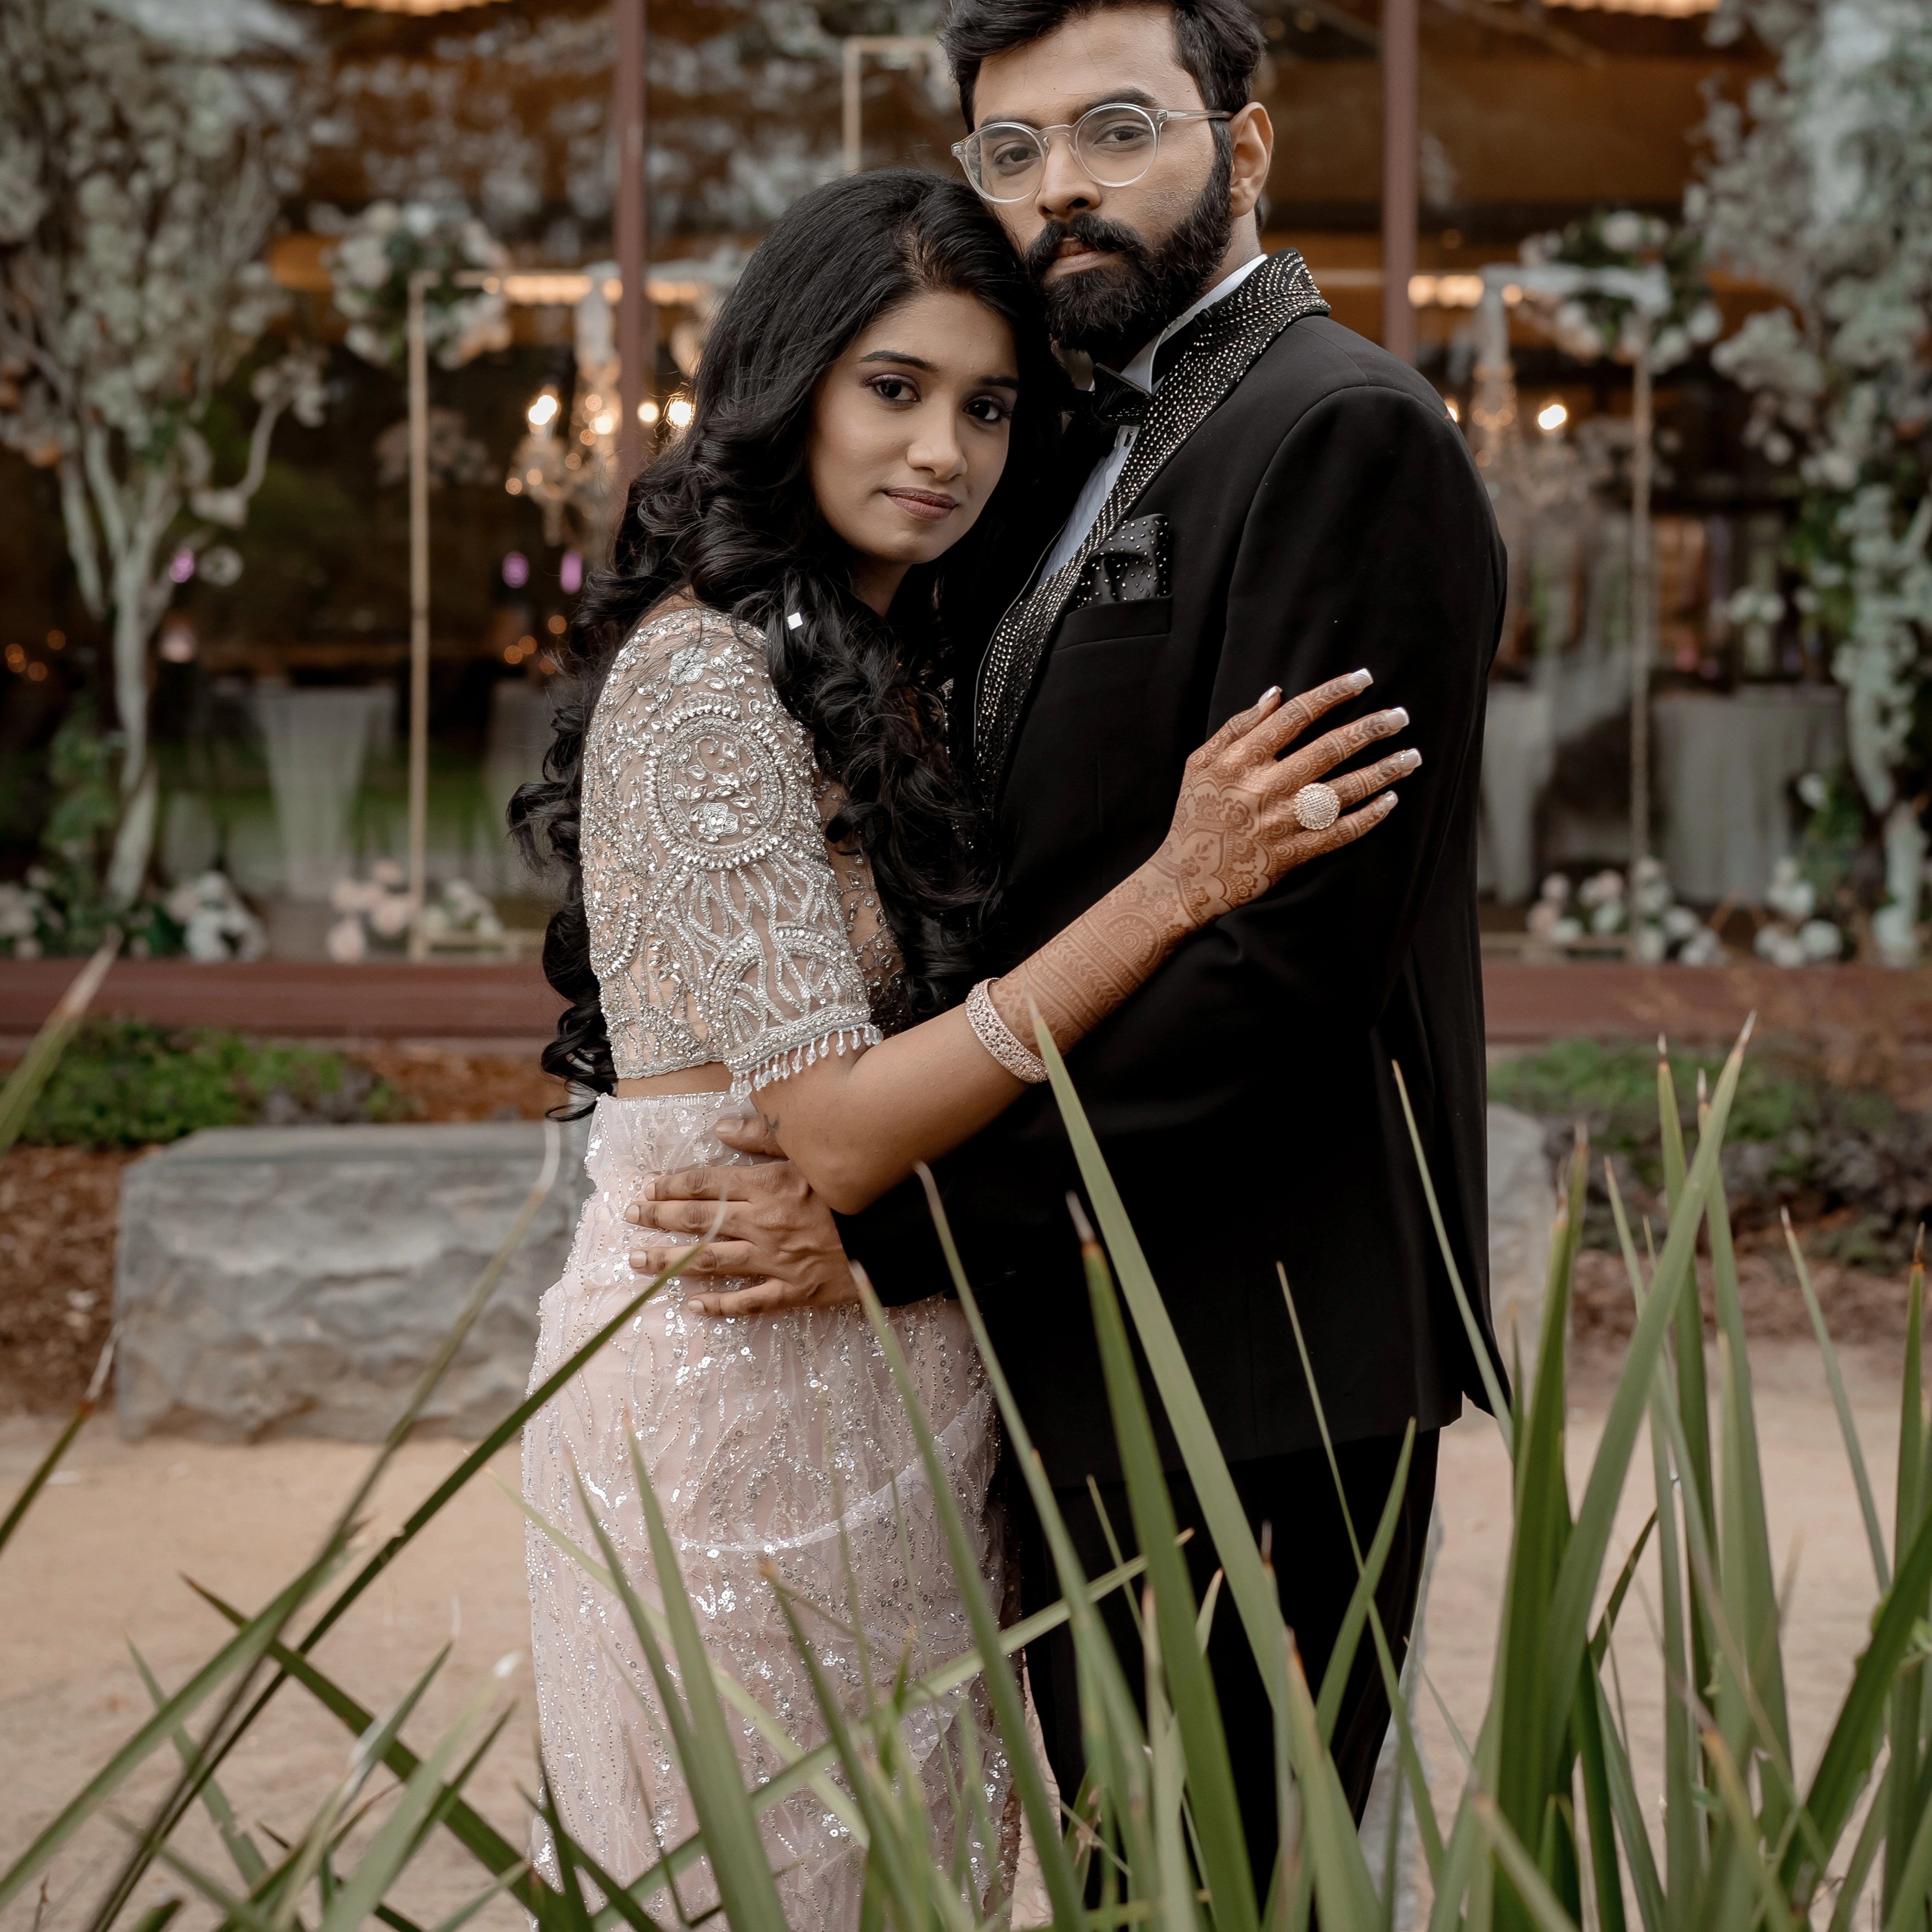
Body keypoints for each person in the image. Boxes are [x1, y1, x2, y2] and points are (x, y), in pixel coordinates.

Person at [628, 0, 1509, 1889]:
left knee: (1231, 1879)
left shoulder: (1338, 434)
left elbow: (1286, 971)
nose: (1060, 192)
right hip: (1070, 1333)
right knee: (1117, 1871)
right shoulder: (1055, 445)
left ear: (1243, 147)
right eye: (1011, 152)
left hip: (1250, 1344)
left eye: (1116, 131)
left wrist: (902, 1227)